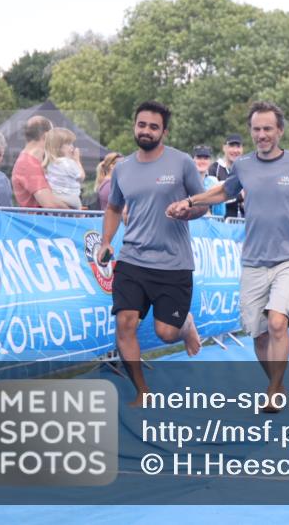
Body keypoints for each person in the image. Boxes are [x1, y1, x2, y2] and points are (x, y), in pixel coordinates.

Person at [168, 102, 289, 410]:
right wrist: (190, 200)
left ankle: (275, 390)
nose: (262, 135)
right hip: (253, 261)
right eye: (256, 129)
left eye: (268, 128)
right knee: (259, 334)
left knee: (277, 322)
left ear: (279, 130)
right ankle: (275, 383)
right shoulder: (244, 166)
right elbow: (223, 192)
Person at [98, 101, 206, 406]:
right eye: (141, 124)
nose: (146, 131)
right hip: (132, 260)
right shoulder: (122, 168)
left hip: (173, 263)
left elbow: (203, 204)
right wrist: (107, 241)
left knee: (166, 333)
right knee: (125, 322)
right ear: (135, 126)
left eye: (153, 126)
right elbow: (114, 208)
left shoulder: (182, 163)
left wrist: (188, 211)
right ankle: (142, 392)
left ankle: (185, 325)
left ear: (164, 132)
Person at [11, 115, 67, 208]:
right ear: (46, 136)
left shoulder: (31, 161)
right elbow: (49, 204)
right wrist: (77, 214)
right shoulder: (28, 164)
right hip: (38, 221)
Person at [43, 127, 85, 209]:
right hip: (71, 199)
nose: (72, 147)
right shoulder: (68, 162)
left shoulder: (50, 163)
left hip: (55, 197)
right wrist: (77, 160)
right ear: (58, 147)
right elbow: (81, 177)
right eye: (69, 144)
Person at [208, 133, 244, 217]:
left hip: (241, 224)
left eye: (238, 146)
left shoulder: (245, 170)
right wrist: (240, 196)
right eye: (231, 146)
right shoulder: (214, 169)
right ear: (224, 148)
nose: (235, 150)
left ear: (242, 149)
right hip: (220, 223)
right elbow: (214, 196)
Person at [193, 145, 225, 216]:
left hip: (210, 224)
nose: (202, 161)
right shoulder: (186, 179)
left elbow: (220, 213)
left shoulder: (213, 181)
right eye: (199, 158)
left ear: (210, 161)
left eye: (206, 158)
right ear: (193, 160)